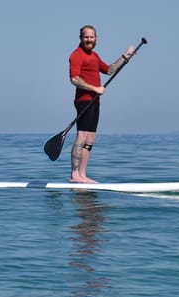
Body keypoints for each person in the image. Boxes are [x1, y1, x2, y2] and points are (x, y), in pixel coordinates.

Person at [68, 25, 134, 183]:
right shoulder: (76, 55)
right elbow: (74, 79)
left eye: (92, 37)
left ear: (96, 39)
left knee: (90, 139)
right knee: (82, 135)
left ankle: (82, 175)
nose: (89, 39)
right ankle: (74, 175)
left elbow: (109, 69)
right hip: (83, 101)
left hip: (95, 101)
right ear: (81, 38)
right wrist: (94, 88)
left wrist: (126, 56)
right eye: (86, 37)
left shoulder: (95, 56)